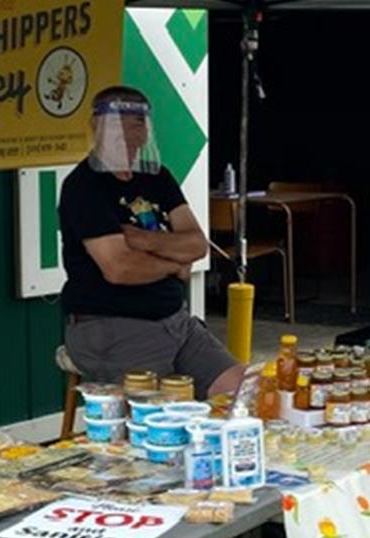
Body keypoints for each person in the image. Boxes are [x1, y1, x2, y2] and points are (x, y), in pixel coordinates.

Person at [59, 85, 243, 398]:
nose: (129, 136)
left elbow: (197, 244)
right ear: (97, 129)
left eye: (137, 125)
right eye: (118, 127)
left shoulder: (158, 177)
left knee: (244, 392)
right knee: (161, 418)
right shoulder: (83, 186)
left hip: (176, 323)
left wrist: (143, 239)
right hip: (114, 326)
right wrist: (175, 264)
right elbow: (120, 269)